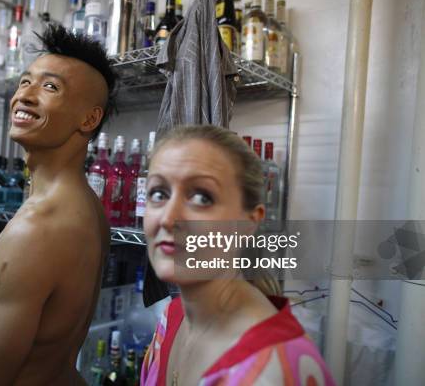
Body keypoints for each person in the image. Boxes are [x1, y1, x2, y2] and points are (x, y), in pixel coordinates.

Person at [0, 25, 116, 385]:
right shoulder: (88, 208)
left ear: (89, 119)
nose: (25, 96)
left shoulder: (39, 227)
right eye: (25, 82)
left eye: (50, 87)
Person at [140, 125, 335, 385]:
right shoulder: (170, 319)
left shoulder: (274, 368)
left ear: (249, 222)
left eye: (201, 197)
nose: (168, 217)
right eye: (158, 193)